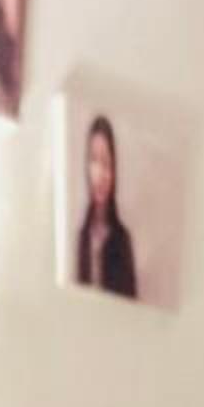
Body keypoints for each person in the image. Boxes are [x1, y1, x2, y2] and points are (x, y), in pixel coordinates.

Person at [74, 114, 138, 300]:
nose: (100, 174)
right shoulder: (82, 236)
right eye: (94, 160)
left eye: (107, 163)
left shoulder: (122, 239)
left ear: (114, 171)